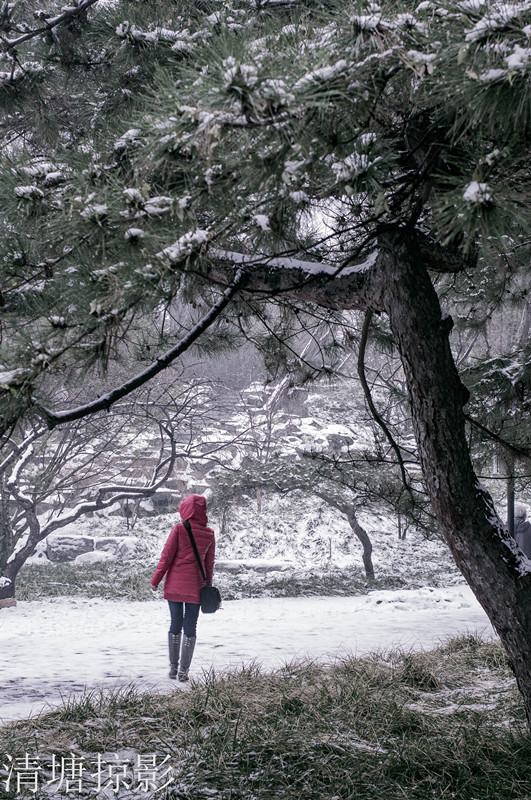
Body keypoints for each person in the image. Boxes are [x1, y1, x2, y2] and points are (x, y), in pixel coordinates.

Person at [151, 494, 215, 681]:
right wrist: (208, 586)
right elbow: (209, 564)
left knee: (175, 623)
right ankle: (184, 672)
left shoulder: (179, 529)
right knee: (190, 626)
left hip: (175, 586)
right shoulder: (209, 533)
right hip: (197, 587)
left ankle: (173, 667)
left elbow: (166, 557)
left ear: (185, 509)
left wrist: (156, 580)